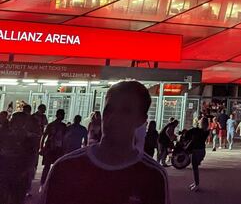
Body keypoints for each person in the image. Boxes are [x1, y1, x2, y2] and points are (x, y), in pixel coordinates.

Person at [41, 81, 169, 204]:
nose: (113, 117)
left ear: (141, 120)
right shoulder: (66, 167)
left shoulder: (153, 176)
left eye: (125, 111)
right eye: (109, 110)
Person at [40, 109, 67, 186]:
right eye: (62, 114)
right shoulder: (56, 125)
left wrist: (41, 147)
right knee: (50, 166)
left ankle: (46, 182)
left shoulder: (61, 126)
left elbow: (44, 136)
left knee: (51, 166)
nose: (63, 116)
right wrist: (41, 147)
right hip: (52, 147)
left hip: (55, 147)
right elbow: (44, 136)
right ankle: (45, 182)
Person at [185, 116, 210, 191]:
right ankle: (196, 182)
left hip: (196, 150)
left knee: (195, 168)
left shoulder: (196, 130)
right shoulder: (206, 132)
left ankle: (197, 184)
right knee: (195, 167)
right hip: (201, 150)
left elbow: (188, 134)